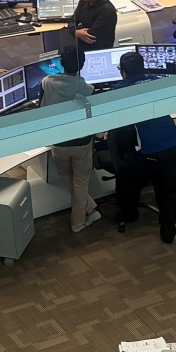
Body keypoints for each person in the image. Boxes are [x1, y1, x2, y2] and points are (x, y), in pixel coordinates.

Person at [112, 50, 176, 242]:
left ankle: (129, 213)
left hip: (150, 151)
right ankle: (168, 232)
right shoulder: (157, 81)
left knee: (126, 176)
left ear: (123, 72)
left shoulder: (121, 89)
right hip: (172, 143)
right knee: (169, 191)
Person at [40, 42, 101, 233]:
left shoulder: (47, 83)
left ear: (61, 63)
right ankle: (79, 222)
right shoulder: (88, 89)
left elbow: (42, 110)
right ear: (82, 65)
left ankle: (91, 209)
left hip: (58, 142)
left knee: (68, 177)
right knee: (80, 182)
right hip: (82, 142)